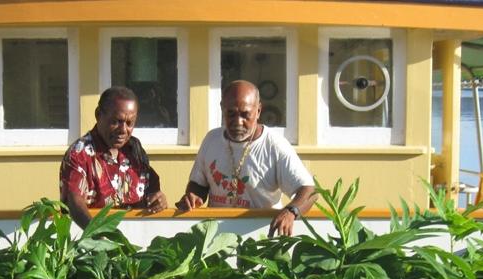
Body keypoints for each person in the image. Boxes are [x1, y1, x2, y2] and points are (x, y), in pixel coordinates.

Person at [176, 80, 315, 237]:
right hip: (217, 238)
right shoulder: (211, 139)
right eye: (231, 114)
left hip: (259, 237)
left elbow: (310, 191)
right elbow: (198, 185)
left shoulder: (274, 145)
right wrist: (193, 196)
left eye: (245, 114)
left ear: (258, 111)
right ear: (222, 109)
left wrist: (291, 212)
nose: (238, 122)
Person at [59, 86, 167, 228]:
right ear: (98, 115)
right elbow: (74, 203)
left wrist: (159, 200)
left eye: (130, 123)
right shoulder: (80, 154)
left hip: (135, 241)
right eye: (116, 121)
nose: (123, 130)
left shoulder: (134, 148)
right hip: (92, 243)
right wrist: (98, 235)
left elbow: (151, 189)